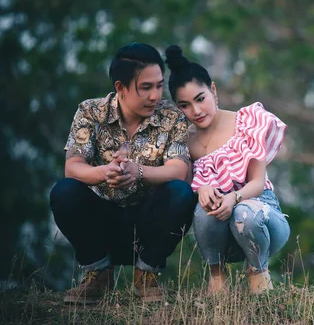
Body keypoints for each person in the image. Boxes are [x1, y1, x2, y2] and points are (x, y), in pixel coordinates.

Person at [50, 42, 197, 304]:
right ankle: (97, 273)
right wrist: (105, 173)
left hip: (150, 225)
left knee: (181, 192)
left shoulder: (172, 116)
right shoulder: (90, 111)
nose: (155, 95)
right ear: (120, 87)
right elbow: (72, 166)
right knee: (64, 192)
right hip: (102, 223)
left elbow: (178, 170)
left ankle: (147, 274)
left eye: (159, 85)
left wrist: (138, 171)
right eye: (146, 87)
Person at [165, 45, 290, 294]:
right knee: (204, 209)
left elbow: (256, 182)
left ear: (212, 90)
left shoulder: (246, 122)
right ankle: (217, 278)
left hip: (261, 219)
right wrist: (202, 189)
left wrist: (233, 197)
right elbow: (187, 187)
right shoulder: (183, 142)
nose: (196, 111)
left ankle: (258, 272)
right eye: (185, 105)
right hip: (220, 233)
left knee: (243, 213)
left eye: (200, 99)